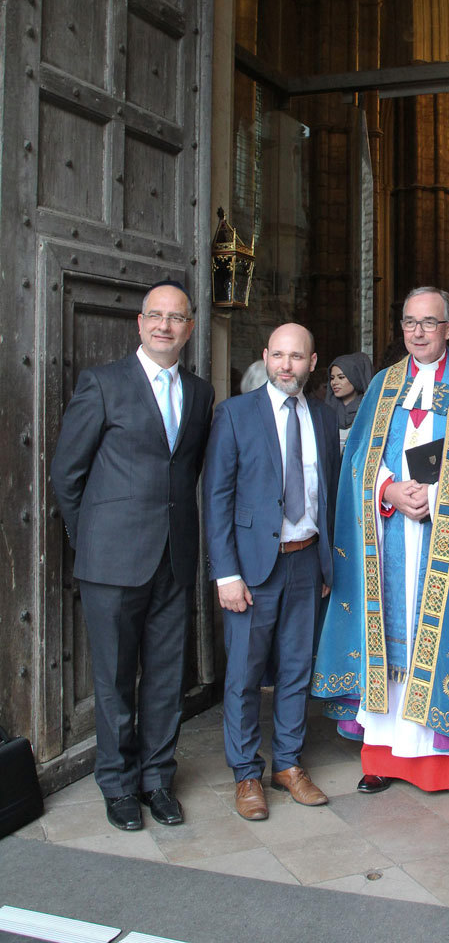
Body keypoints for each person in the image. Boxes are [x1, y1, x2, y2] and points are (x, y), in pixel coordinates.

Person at [312, 287, 449, 803]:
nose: (417, 332)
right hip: (390, 534)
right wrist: (389, 490)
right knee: (392, 644)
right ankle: (382, 758)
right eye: (410, 322)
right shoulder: (384, 384)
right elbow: (359, 461)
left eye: (429, 323)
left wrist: (438, 497)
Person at [50, 281, 214, 831]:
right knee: (116, 679)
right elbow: (67, 473)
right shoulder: (102, 383)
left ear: (189, 328)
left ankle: (157, 779)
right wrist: (92, 539)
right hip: (112, 561)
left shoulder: (200, 393)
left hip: (174, 557)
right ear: (139, 324)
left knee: (167, 678)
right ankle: (118, 784)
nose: (165, 326)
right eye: (156, 316)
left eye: (177, 317)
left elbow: (185, 472)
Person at [203, 323, 339, 821]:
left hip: (306, 560)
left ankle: (288, 763)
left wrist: (326, 563)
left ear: (312, 362)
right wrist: (225, 574)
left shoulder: (323, 417)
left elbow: (329, 495)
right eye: (278, 355)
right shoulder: (235, 414)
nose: (286, 365)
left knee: (297, 669)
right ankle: (246, 773)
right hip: (252, 568)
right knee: (243, 674)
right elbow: (216, 498)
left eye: (296, 356)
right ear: (265, 356)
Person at [325, 351, 373, 453]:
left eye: (341, 377)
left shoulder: (368, 411)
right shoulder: (326, 410)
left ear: (355, 378)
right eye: (332, 378)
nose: (334, 382)